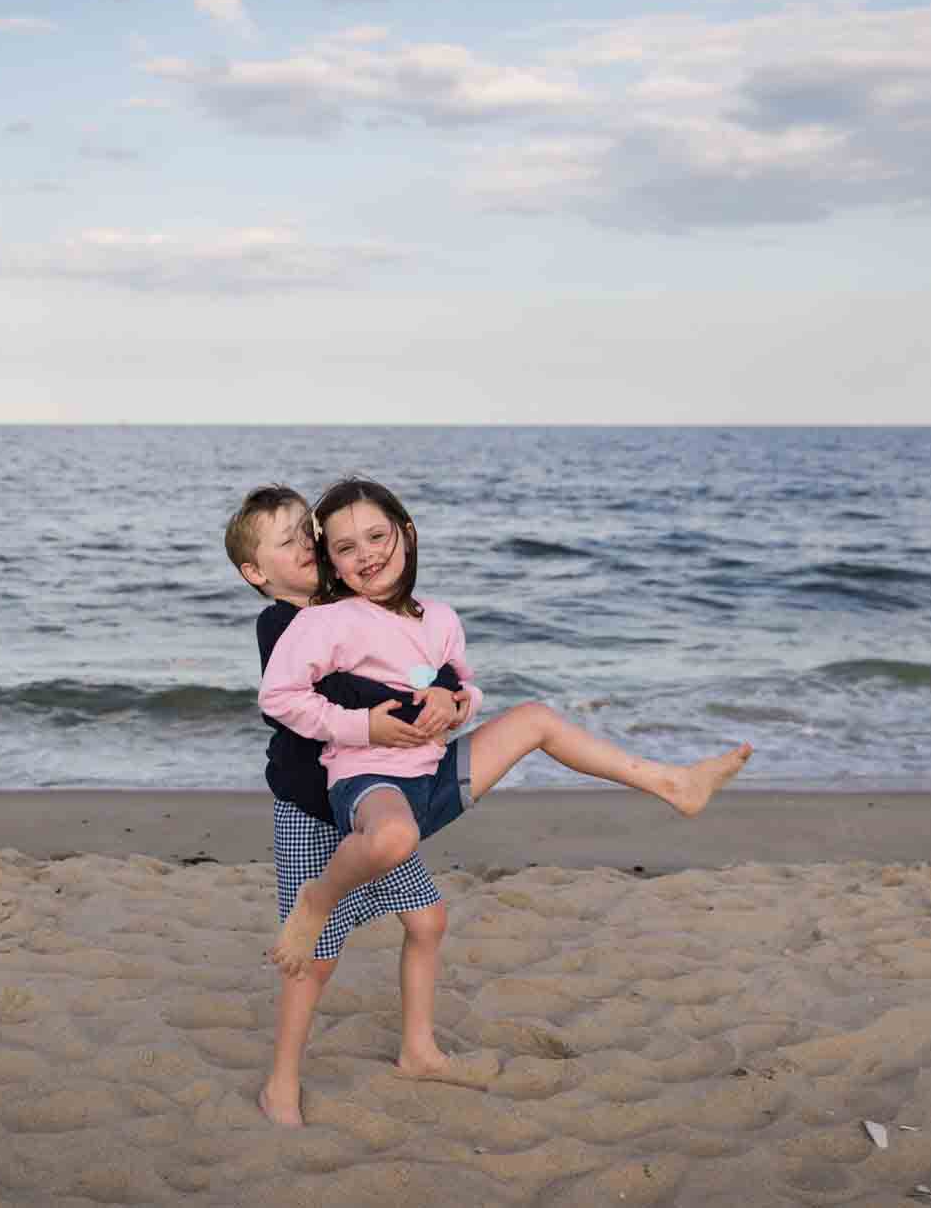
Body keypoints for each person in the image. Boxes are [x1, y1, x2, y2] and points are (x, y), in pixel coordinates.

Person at [258, 476, 754, 979]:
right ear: (332, 563)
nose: (366, 554)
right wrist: (363, 727)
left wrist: (454, 705)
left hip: (432, 778)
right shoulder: (328, 621)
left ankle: (674, 783)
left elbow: (468, 689)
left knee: (536, 718)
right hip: (370, 783)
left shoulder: (441, 619)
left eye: (376, 537)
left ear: (405, 533)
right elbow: (278, 698)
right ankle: (317, 900)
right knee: (393, 838)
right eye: (346, 547)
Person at [224, 485, 469, 1126]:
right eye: (288, 543)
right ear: (256, 573)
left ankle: (418, 1049)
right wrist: (399, 708)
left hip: (366, 806)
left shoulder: (340, 608)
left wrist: (445, 686)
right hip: (312, 808)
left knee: (429, 920)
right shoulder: (284, 624)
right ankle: (281, 1084)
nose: (306, 547)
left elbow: (402, 655)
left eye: (309, 536)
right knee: (316, 954)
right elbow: (334, 696)